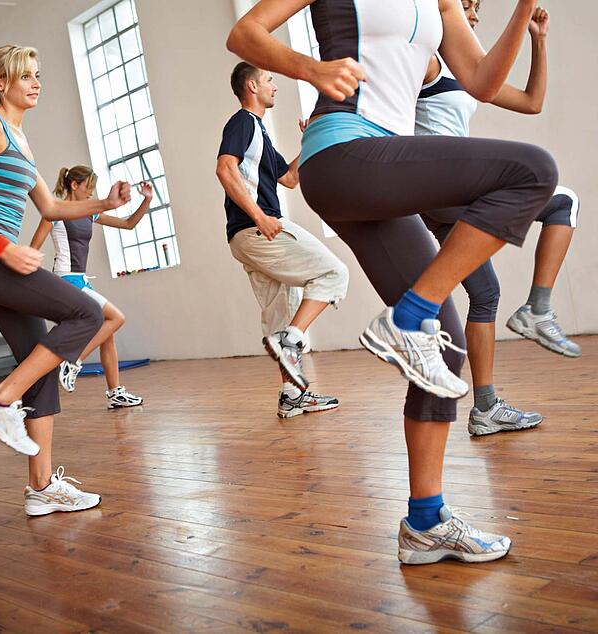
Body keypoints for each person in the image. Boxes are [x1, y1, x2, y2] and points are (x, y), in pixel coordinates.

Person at [228, 0, 558, 563]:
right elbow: (244, 32)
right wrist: (310, 68)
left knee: (445, 346)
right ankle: (407, 316)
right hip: (342, 151)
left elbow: (481, 80)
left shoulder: (440, 3)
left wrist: (523, 9)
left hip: (383, 166)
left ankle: (424, 523)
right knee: (533, 171)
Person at [0, 45, 131, 516]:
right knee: (87, 311)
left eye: (38, 74)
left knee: (39, 364)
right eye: (25, 75)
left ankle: (41, 489)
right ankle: (0, 399)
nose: (36, 82)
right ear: (1, 83)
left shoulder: (21, 141)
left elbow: (51, 208)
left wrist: (103, 204)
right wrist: (3, 245)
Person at [417, 1, 580, 437]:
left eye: (474, 10)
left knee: (485, 293)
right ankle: (538, 309)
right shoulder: (426, 60)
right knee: (562, 201)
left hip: (448, 199)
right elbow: (379, 104)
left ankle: (485, 408)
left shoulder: (462, 73)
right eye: (465, 6)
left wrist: (538, 42)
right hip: (443, 187)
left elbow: (532, 102)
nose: (472, 16)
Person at [216, 61, 349, 418]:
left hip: (247, 235)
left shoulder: (259, 131)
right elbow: (224, 168)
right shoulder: (243, 122)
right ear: (252, 87)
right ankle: (291, 340)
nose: (275, 86)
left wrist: (309, 140)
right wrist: (260, 215)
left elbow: (289, 178)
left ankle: (292, 395)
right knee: (335, 273)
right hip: (257, 228)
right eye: (270, 80)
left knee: (281, 314)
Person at [30, 166, 152, 409]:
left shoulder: (90, 213)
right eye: (88, 188)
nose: (92, 194)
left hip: (81, 280)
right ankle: (72, 360)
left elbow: (128, 224)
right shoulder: (54, 212)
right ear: (74, 185)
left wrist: (146, 200)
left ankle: (115, 392)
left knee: (108, 331)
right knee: (116, 317)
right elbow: (33, 248)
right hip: (65, 280)